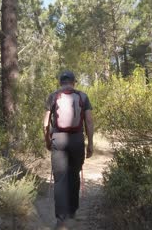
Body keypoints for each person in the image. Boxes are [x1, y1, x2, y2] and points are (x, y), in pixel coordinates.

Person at [43, 70, 94, 229]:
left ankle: (61, 219)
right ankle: (72, 211)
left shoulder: (52, 96)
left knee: (60, 180)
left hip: (58, 139)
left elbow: (45, 124)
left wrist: (47, 141)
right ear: (74, 82)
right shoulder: (83, 96)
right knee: (74, 174)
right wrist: (90, 143)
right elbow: (89, 122)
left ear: (60, 82)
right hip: (77, 140)